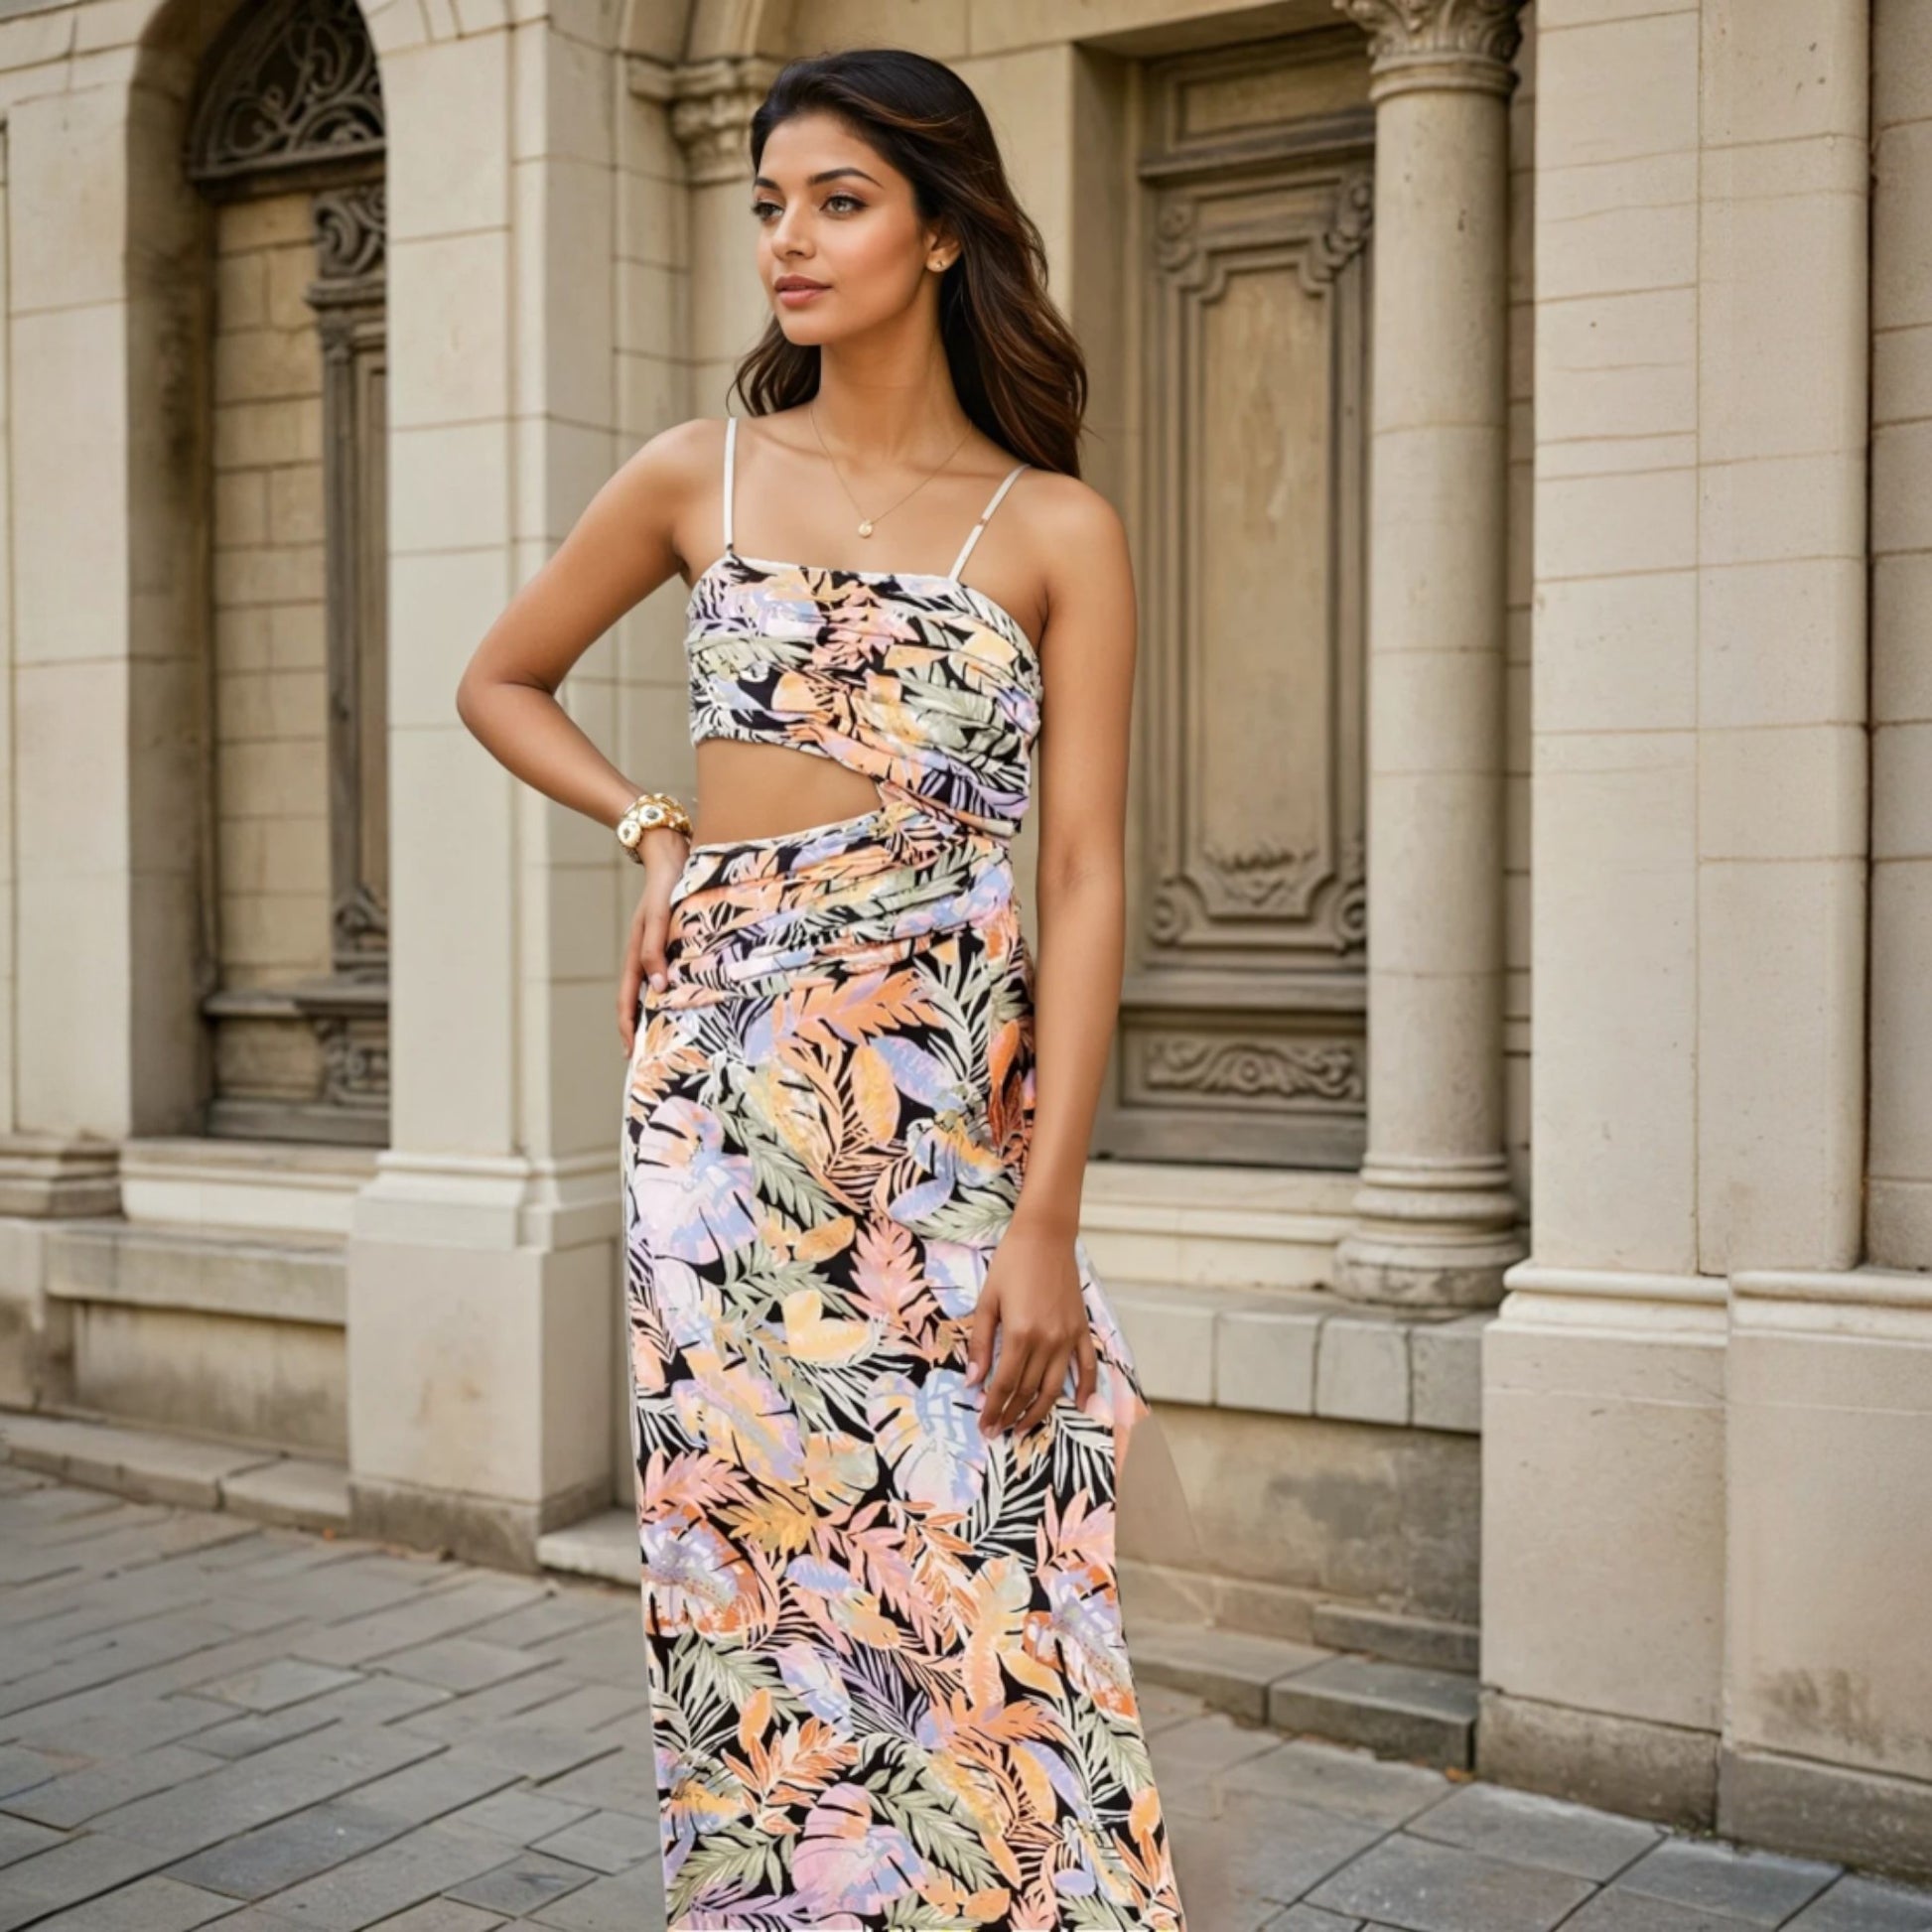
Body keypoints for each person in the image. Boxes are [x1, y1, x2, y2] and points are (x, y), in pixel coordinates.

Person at [457, 43, 1188, 1931]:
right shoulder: (694, 473)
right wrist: (652, 831)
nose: (788, 237)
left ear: (943, 232)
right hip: (722, 1108)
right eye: (769, 201)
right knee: (761, 1563)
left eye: (839, 200)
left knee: (998, 1555)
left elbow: (1088, 875)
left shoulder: (1054, 528)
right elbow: (499, 678)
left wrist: (1048, 1218)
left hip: (945, 1114)